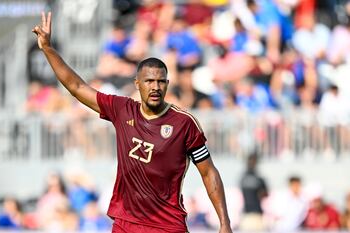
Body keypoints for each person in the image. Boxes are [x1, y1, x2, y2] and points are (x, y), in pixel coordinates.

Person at [32, 11, 232, 233]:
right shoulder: (122, 109)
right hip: (126, 224)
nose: (155, 87)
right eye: (149, 81)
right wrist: (48, 49)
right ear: (138, 83)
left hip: (167, 225)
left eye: (160, 82)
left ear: (167, 84)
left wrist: (224, 223)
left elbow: (208, 172)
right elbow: (77, 87)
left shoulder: (184, 123)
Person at [239, 152, 268, 231]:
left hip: (248, 214)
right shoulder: (259, 179)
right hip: (254, 214)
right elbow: (265, 194)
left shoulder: (243, 178)